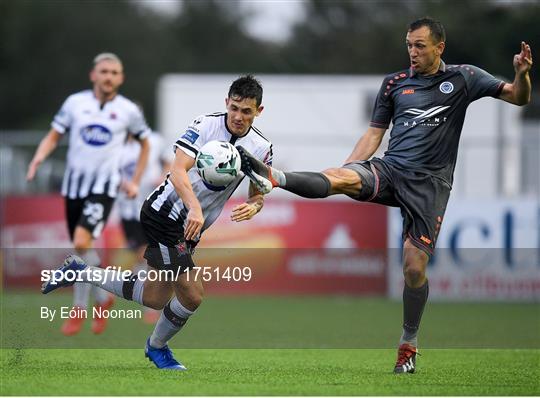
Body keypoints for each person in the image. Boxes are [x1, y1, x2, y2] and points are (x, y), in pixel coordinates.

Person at [237, 18, 532, 374]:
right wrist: (345, 169)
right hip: (391, 170)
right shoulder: (394, 84)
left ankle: (408, 343)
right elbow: (374, 134)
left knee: (412, 269)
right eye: (409, 44)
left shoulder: (464, 77)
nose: (412, 52)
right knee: (340, 177)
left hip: (430, 186)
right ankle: (275, 176)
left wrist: (523, 75)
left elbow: (517, 97)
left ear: (440, 47)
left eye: (420, 45)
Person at [42, 75, 272, 370]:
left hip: (190, 226)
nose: (238, 117)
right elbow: (177, 171)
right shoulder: (205, 125)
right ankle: (157, 348)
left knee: (153, 297)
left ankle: (81, 271)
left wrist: (254, 206)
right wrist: (194, 209)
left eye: (247, 111)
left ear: (259, 111)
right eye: (235, 108)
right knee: (192, 294)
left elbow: (258, 193)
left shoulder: (261, 148)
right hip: (165, 214)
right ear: (227, 103)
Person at [27, 52, 150, 335]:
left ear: (121, 78)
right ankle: (103, 296)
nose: (108, 77)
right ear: (93, 75)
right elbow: (54, 135)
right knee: (82, 249)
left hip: (103, 188)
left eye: (114, 72)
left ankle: (79, 308)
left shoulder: (129, 110)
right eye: (104, 71)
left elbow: (144, 145)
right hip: (74, 187)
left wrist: (134, 180)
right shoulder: (75, 103)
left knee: (81, 242)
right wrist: (38, 158)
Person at [117, 131, 173, 323]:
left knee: (145, 254)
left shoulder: (155, 140)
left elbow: (170, 162)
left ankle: (148, 305)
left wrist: (162, 176)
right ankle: (129, 289)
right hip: (127, 210)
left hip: (151, 208)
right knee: (140, 257)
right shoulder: (118, 146)